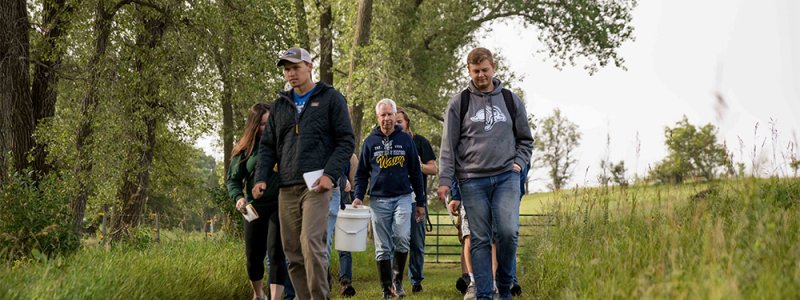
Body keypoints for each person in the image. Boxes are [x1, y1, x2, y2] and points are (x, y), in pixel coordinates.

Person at [252, 47, 355, 300]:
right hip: (286, 187)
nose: (290, 73)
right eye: (287, 69)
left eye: (295, 67)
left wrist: (331, 175)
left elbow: (346, 141)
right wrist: (261, 178)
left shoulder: (331, 98)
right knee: (293, 253)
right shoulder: (279, 106)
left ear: (310, 66)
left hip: (317, 187)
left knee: (311, 244)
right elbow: (267, 147)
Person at [438, 47, 534, 300]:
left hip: (506, 177)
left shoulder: (511, 100)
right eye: (475, 71)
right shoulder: (460, 103)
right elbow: (448, 145)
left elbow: (525, 140)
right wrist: (445, 180)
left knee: (507, 232)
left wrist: (519, 164)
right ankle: (483, 294)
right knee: (479, 238)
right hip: (472, 180)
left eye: (485, 70)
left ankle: (504, 288)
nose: (481, 75)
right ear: (469, 71)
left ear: (493, 67)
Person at [353, 98, 426, 299]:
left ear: (396, 116)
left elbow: (416, 173)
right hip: (378, 201)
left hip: (403, 197)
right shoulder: (370, 142)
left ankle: (398, 282)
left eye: (390, 114)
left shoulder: (406, 140)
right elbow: (361, 174)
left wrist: (421, 202)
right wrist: (358, 197)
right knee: (382, 247)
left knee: (402, 238)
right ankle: (387, 288)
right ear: (378, 117)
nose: (386, 118)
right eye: (382, 115)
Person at [227, 103, 288, 300]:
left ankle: (276, 297)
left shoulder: (284, 144)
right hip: (252, 208)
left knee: (275, 252)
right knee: (253, 256)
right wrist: (239, 198)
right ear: (254, 126)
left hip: (279, 205)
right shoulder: (245, 150)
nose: (266, 127)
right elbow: (233, 180)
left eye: (269, 123)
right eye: (262, 124)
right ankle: (258, 294)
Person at [395, 107, 437, 293]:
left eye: (400, 121)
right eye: (394, 122)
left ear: (407, 123)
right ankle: (394, 281)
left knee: (417, 244)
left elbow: (433, 169)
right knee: (395, 241)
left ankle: (416, 281)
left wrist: (416, 164)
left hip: (415, 201)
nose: (396, 124)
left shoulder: (420, 142)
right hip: (393, 200)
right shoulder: (387, 144)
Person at [327, 154, 358, 297]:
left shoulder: (350, 157)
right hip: (324, 204)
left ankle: (346, 283)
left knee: (344, 246)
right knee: (323, 245)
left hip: (344, 206)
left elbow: (354, 182)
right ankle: (325, 280)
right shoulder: (320, 149)